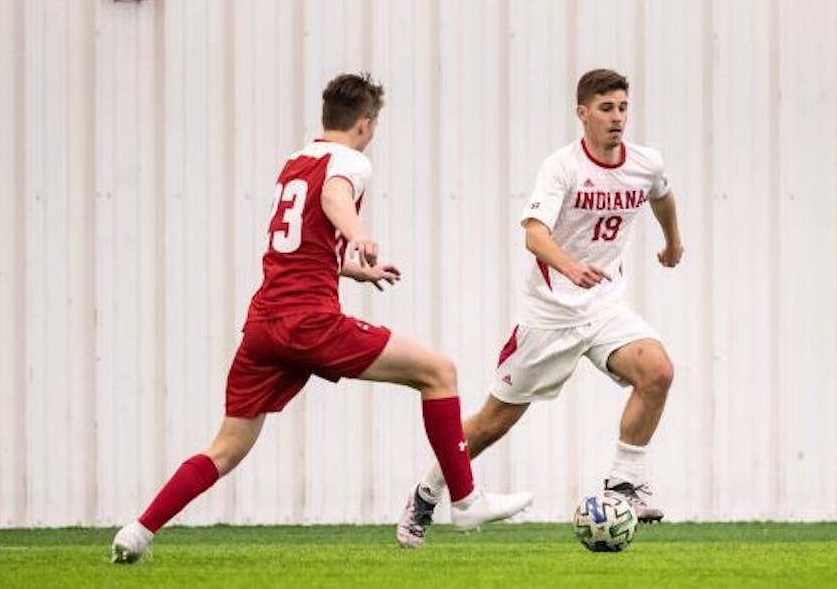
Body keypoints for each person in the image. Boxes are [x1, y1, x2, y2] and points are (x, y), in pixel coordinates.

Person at [112, 73, 532, 563]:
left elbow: (297, 242)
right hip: (308, 321)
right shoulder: (351, 161)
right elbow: (334, 197)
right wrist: (358, 233)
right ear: (366, 124)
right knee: (439, 372)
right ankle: (464, 500)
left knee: (225, 447)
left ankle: (138, 531)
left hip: (264, 325)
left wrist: (349, 268)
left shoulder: (296, 161)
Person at [396, 69, 682, 548]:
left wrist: (673, 242)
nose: (617, 118)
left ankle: (623, 484)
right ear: (582, 113)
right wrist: (569, 266)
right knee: (493, 422)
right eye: (606, 108)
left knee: (658, 371)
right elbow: (534, 234)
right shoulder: (562, 167)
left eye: (622, 108)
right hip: (550, 316)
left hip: (605, 306)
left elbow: (663, 194)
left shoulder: (645, 163)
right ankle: (426, 493)